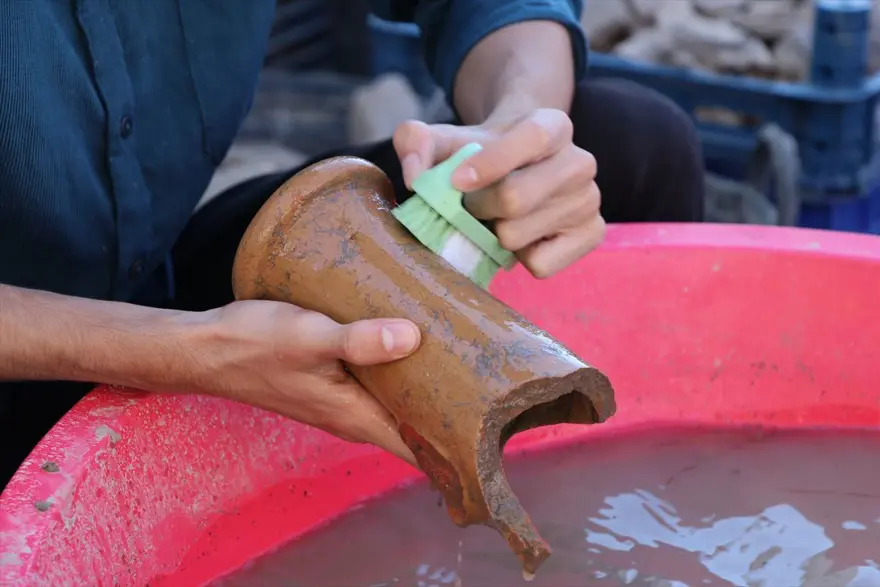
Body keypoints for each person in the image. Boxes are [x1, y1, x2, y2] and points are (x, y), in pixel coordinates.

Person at [0, 0, 703, 487]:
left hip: (155, 271)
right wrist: (191, 353)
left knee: (635, 147)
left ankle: (651, 485)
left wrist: (521, 123)